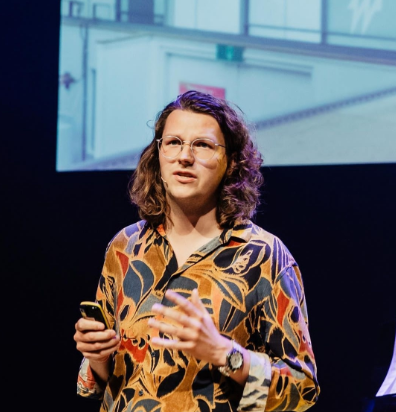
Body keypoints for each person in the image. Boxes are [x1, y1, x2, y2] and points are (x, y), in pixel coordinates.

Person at [74, 90, 320, 412]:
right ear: (158, 154)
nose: (184, 156)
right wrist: (97, 358)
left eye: (202, 145)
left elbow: (300, 392)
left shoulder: (265, 256)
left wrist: (224, 354)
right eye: (173, 142)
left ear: (230, 162)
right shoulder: (125, 248)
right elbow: (104, 384)